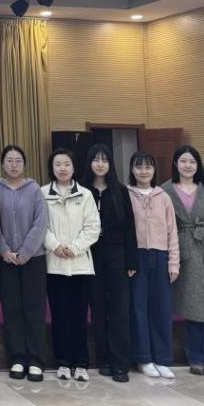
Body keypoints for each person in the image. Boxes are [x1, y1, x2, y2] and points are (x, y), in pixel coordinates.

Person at [162, 145, 204, 379]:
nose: (188, 165)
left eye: (192, 161)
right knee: (191, 308)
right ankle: (196, 358)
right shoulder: (165, 191)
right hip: (183, 253)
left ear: (198, 165)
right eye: (183, 161)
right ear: (175, 164)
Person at [80, 143, 137, 383]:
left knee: (119, 309)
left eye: (104, 160)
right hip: (90, 255)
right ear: (89, 163)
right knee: (98, 308)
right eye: (96, 159)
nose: (100, 164)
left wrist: (132, 260)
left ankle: (120, 362)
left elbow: (130, 227)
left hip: (117, 255)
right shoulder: (82, 190)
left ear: (110, 164)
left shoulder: (120, 191)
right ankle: (103, 358)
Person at [42, 148, 100, 382]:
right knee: (59, 316)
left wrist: (74, 248)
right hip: (54, 265)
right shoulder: (42, 193)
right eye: (58, 164)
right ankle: (63, 363)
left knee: (79, 317)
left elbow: (93, 227)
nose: (62, 168)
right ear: (52, 167)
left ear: (74, 167)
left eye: (67, 164)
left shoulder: (85, 194)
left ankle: (81, 363)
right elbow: (40, 225)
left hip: (80, 266)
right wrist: (55, 246)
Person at [0, 144, 48, 383]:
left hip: (33, 259)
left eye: (18, 160)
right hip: (5, 260)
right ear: (2, 164)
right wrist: (4, 249)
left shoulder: (34, 189)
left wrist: (26, 251)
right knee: (12, 309)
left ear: (24, 164)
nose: (14, 165)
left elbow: (41, 222)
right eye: (9, 160)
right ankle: (17, 358)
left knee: (34, 309)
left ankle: (36, 360)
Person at [127, 150, 179, 379]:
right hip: (137, 256)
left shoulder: (163, 196)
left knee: (161, 308)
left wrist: (173, 263)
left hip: (160, 255)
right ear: (132, 170)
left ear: (154, 170)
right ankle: (144, 358)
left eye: (148, 167)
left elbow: (172, 232)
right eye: (139, 167)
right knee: (138, 308)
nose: (143, 171)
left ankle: (162, 359)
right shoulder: (126, 194)